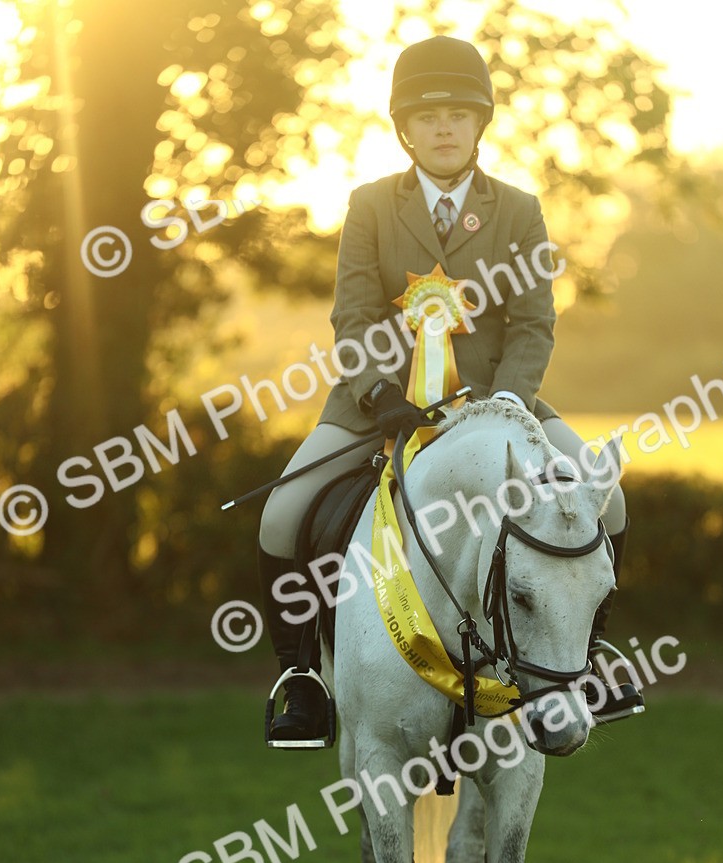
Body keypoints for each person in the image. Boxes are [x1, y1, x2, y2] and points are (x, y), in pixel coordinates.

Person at [257, 34, 644, 746]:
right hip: (380, 407)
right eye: (428, 116)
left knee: (608, 501)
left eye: (458, 115)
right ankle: (303, 677)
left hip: (501, 404)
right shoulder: (370, 206)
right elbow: (353, 313)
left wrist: (507, 405)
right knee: (281, 517)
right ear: (404, 128)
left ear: (479, 124)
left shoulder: (519, 209)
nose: (443, 128)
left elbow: (533, 322)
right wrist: (379, 394)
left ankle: (588, 660)